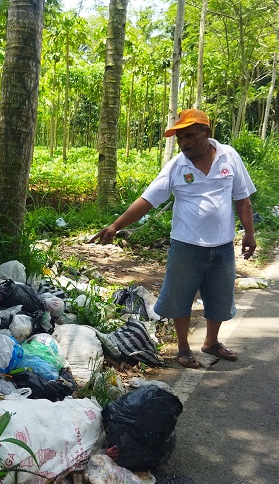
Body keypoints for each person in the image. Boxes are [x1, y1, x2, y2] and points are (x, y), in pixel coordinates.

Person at [89, 108, 256, 369]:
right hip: (186, 245)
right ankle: (183, 348)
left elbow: (242, 199)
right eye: (179, 138)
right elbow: (147, 200)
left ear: (206, 132)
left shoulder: (229, 157)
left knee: (220, 297)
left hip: (222, 245)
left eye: (189, 136)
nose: (184, 143)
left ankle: (211, 342)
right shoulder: (177, 166)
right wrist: (116, 225)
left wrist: (249, 233)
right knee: (180, 297)